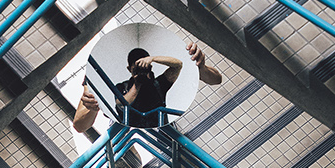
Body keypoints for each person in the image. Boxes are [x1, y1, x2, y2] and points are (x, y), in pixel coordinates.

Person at [72, 41, 222, 132]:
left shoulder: (158, 84)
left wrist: (153, 59)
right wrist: (137, 85)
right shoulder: (122, 86)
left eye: (144, 66)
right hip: (126, 130)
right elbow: (119, 104)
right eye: (136, 67)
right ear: (129, 69)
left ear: (150, 67)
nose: (141, 70)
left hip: (161, 128)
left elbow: (178, 65)